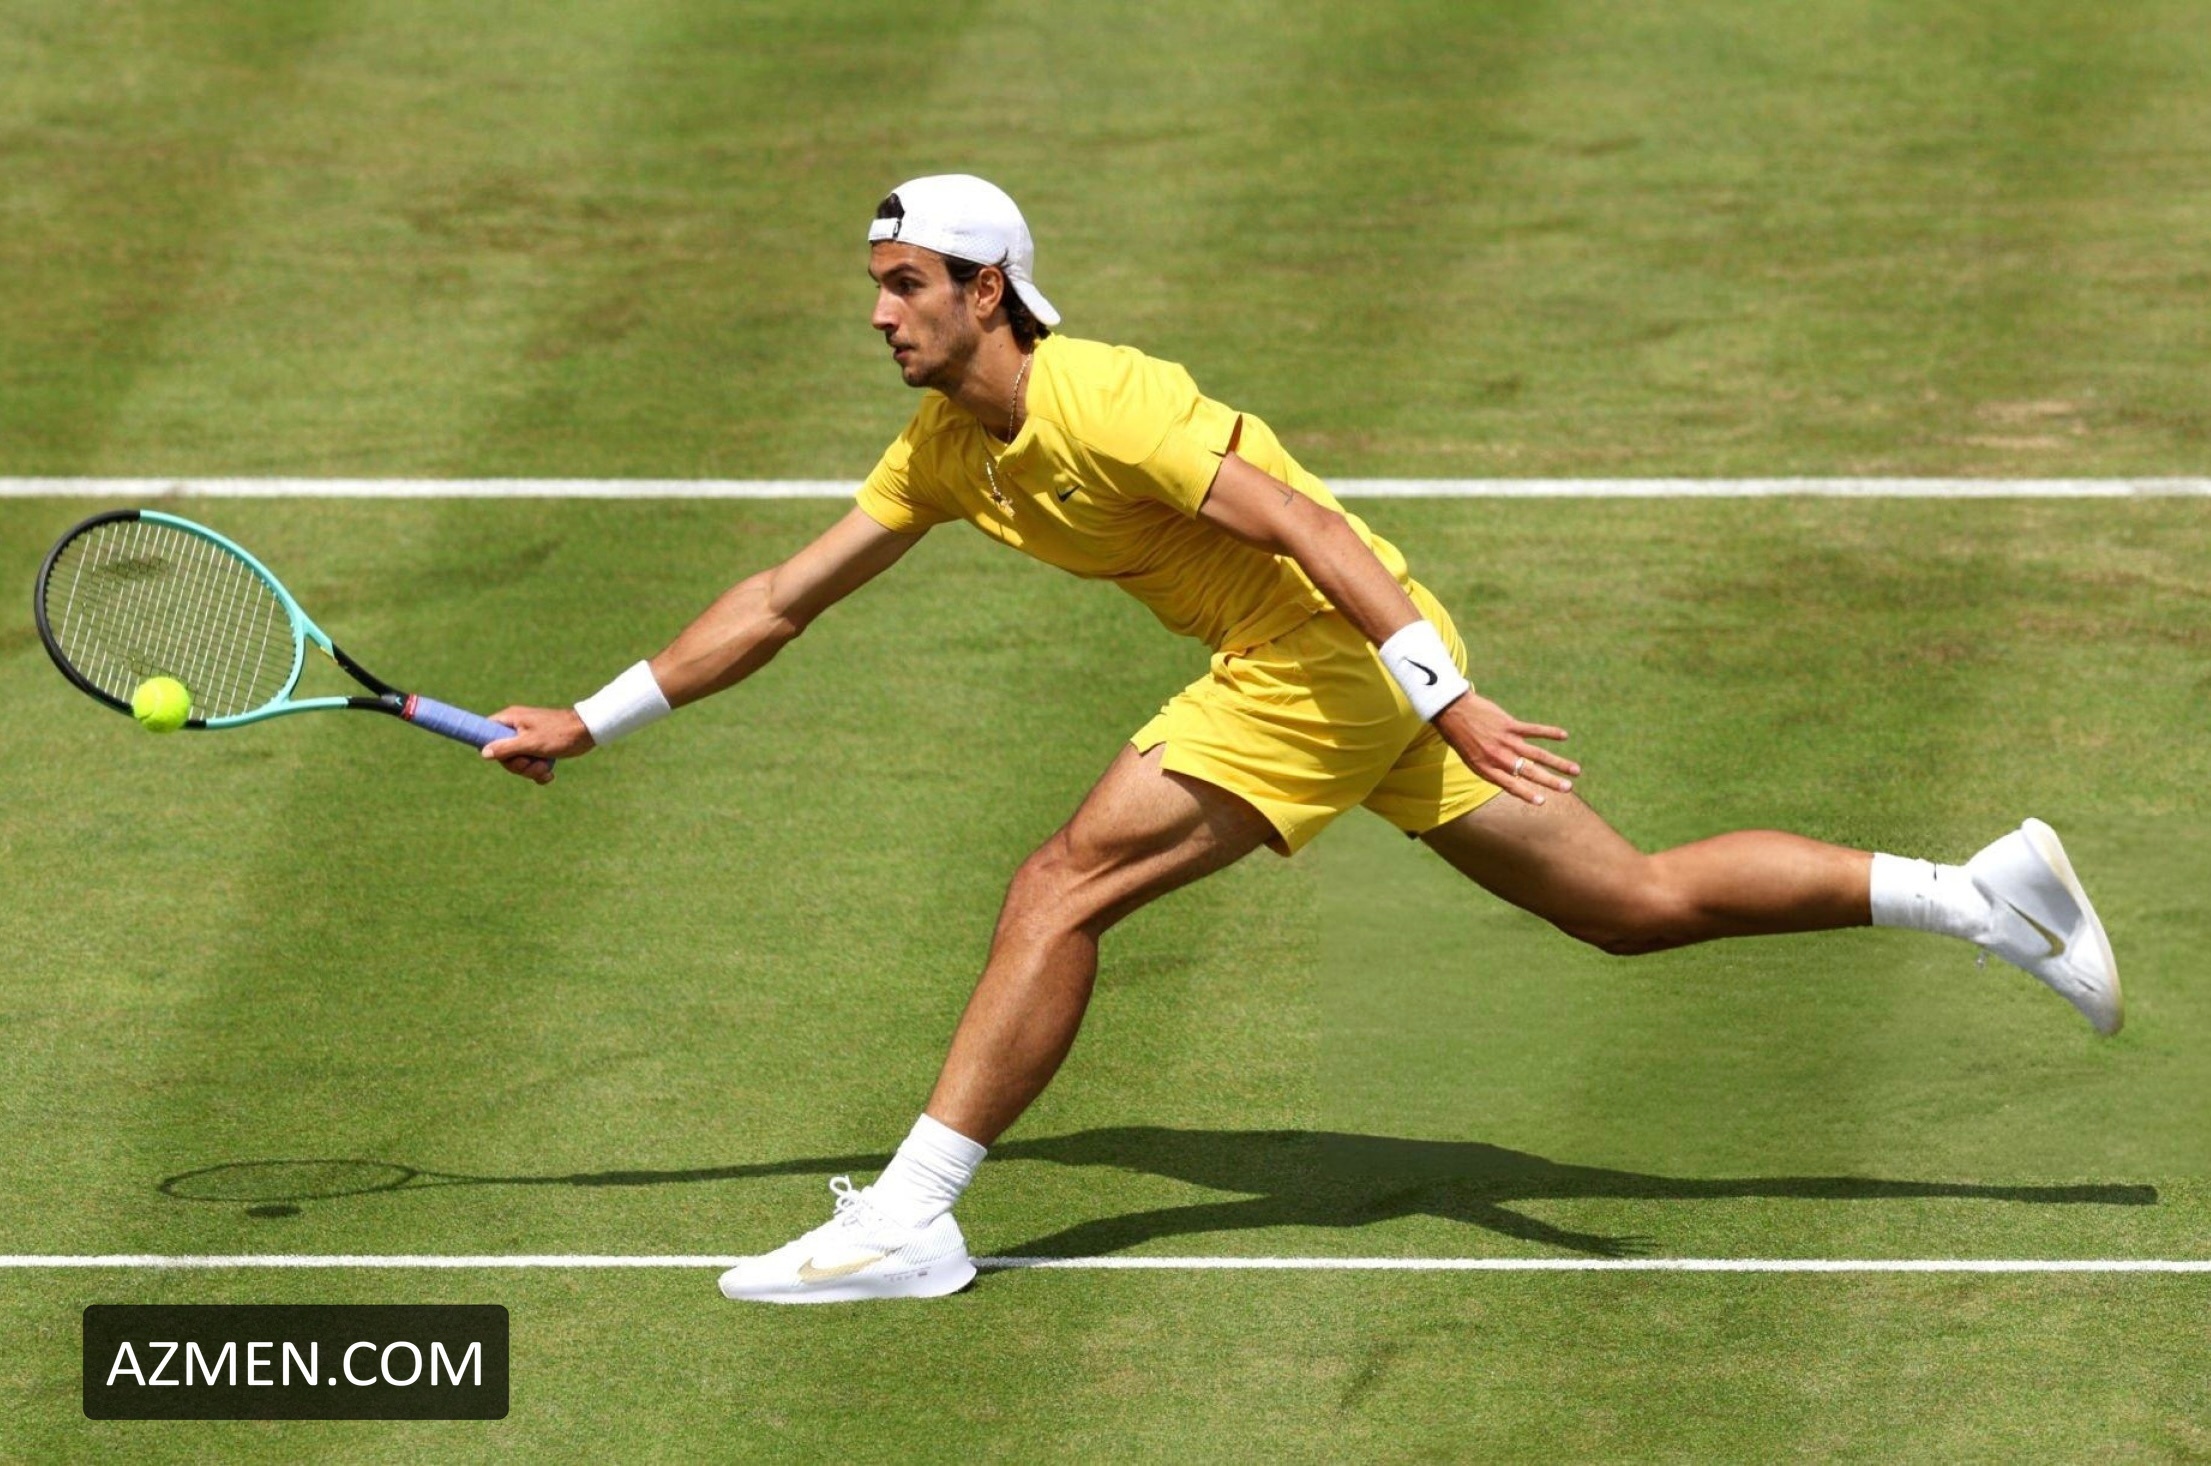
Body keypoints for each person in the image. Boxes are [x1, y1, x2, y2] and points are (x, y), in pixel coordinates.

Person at [481, 174, 2122, 1305]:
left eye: (904, 285)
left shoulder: (1104, 396)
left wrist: (1443, 692)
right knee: (1629, 903)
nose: (880, 314)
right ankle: (1982, 895)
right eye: (875, 288)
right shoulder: (945, 448)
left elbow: (1307, 527)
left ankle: (911, 1220)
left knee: (1058, 883)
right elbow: (781, 599)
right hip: (1341, 672)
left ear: (988, 290)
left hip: (1330, 656)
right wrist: (593, 719)